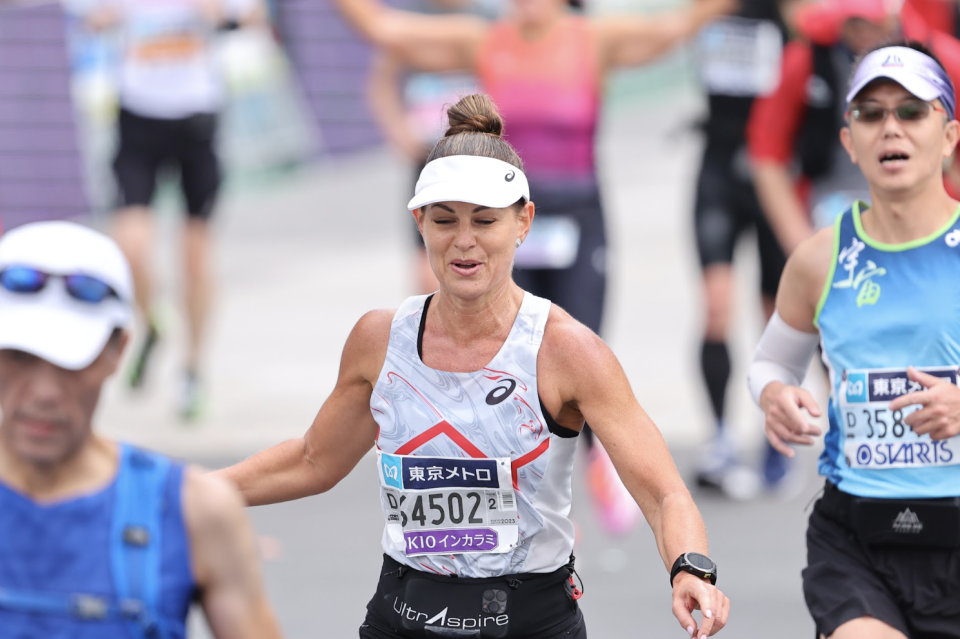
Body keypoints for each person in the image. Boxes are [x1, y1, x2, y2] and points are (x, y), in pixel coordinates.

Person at [218, 94, 730, 639]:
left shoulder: (566, 352)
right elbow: (313, 460)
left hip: (529, 622)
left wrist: (689, 567)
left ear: (523, 222)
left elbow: (664, 492)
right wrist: (190, 493)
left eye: (485, 221)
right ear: (419, 222)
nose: (464, 242)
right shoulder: (379, 339)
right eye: (445, 221)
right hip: (403, 615)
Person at [334, 0, 734, 535]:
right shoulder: (484, 40)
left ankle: (603, 461)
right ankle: (496, 474)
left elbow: (676, 26)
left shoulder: (593, 40)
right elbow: (383, 28)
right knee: (503, 347)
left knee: (576, 347)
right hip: (498, 225)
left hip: (575, 218)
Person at [749, 41, 960, 638]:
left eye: (912, 111)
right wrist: (772, 396)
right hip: (857, 536)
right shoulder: (821, 257)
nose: (891, 126)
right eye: (871, 113)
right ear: (850, 140)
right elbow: (770, 364)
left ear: (948, 135)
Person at [0, 221, 281, 638]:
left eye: (70, 362)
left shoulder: (194, 512)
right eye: (21, 356)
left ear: (119, 351)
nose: (43, 392)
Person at [80, 0, 266, 419]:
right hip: (137, 122)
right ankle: (152, 324)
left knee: (195, 260)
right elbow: (86, 22)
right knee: (129, 246)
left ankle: (193, 369)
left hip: (197, 124)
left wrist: (220, 16)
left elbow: (256, 19)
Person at [747, 0, 960, 255]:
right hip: (830, 207)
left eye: (911, 112)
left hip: (929, 217)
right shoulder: (806, 57)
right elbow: (767, 154)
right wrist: (801, 245)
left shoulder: (945, 58)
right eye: (870, 113)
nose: (862, 33)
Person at [690, 0, 793, 497]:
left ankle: (777, 434)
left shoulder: (787, 12)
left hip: (771, 172)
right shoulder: (706, 9)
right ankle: (721, 437)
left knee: (776, 315)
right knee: (716, 305)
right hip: (717, 169)